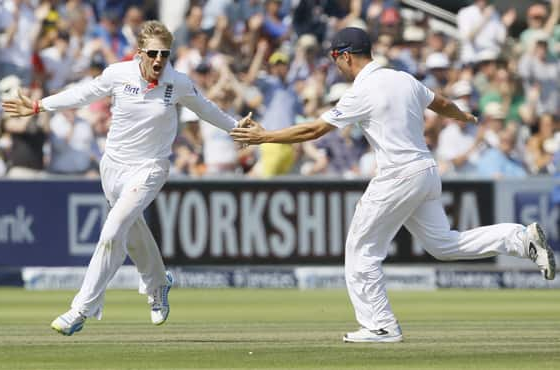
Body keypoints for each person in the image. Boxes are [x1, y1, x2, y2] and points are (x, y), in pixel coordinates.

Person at [231, 27, 556, 343]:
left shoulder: (362, 91)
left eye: (334, 59)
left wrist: (264, 137)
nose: (335, 66)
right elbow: (441, 103)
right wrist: (464, 117)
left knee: (361, 250)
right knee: (444, 245)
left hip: (398, 175)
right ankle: (518, 238)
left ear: (345, 57)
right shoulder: (404, 78)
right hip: (426, 170)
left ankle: (380, 326)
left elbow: (314, 131)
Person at [2, 20, 249, 336]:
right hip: (113, 168)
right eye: (153, 53)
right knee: (132, 230)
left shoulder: (178, 82)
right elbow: (83, 93)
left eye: (165, 54)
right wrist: (39, 105)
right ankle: (158, 283)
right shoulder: (119, 74)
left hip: (150, 168)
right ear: (140, 52)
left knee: (113, 229)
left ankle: (81, 308)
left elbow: (206, 109)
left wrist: (236, 128)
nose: (159, 60)